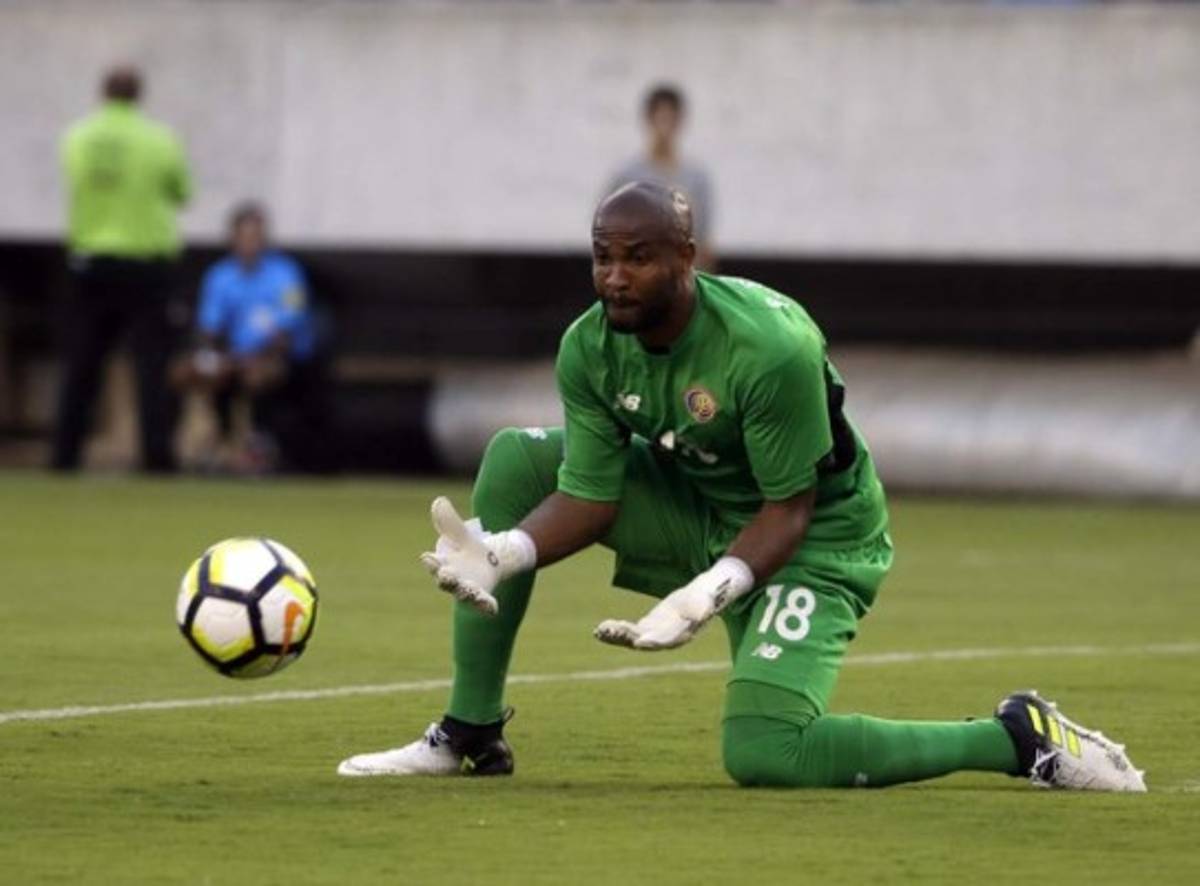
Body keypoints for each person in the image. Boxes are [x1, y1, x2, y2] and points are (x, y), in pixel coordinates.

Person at [338, 183, 1145, 792]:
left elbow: (790, 508)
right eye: (602, 256)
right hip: (698, 504)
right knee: (517, 456)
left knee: (765, 755)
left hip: (816, 539)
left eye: (638, 257)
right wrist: (505, 552)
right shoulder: (588, 348)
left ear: (688, 259)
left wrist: (705, 595)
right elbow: (590, 494)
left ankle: (1014, 738)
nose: (614, 278)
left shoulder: (770, 348)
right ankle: (469, 732)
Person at [52, 65, 192, 472]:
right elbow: (183, 190)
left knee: (81, 364)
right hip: (146, 264)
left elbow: (78, 180)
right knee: (151, 364)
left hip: (91, 262)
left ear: (103, 93)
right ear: (139, 95)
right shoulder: (160, 139)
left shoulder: (78, 137)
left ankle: (64, 456)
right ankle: (156, 457)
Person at [172, 202, 327, 473]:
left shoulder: (286, 274)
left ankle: (257, 447)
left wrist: (256, 357)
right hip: (234, 357)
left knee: (256, 375)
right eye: (243, 237)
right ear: (232, 239)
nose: (249, 244)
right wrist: (212, 357)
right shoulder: (220, 276)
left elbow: (290, 326)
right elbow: (210, 327)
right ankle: (212, 444)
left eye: (255, 237)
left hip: (278, 356)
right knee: (188, 372)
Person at [607, 84, 716, 270]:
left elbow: (703, 239)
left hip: (682, 275)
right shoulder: (627, 175)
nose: (664, 127)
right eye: (660, 118)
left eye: (670, 119)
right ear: (648, 119)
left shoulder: (697, 177)